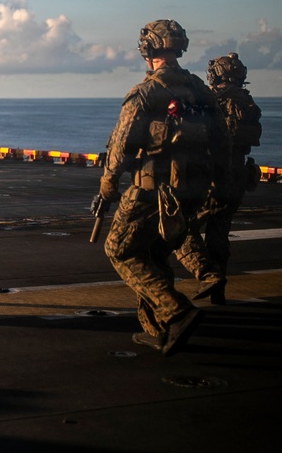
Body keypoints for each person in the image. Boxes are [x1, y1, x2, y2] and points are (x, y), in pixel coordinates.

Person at [94, 19, 230, 355]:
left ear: (147, 48)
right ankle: (159, 329)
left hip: (152, 190)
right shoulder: (201, 91)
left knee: (120, 249)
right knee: (153, 254)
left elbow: (121, 147)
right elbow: (222, 144)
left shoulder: (146, 93)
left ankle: (176, 311)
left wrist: (107, 187)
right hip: (192, 192)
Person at [176, 53, 262, 305]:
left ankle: (206, 273)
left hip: (210, 178)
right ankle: (218, 292)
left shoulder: (210, 100)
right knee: (219, 234)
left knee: (181, 228)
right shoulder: (248, 103)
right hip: (237, 178)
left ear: (216, 74)